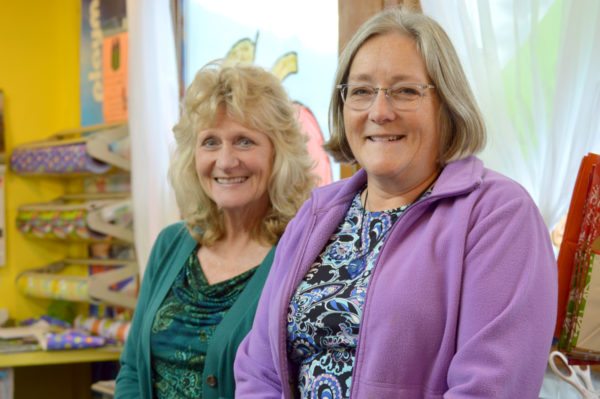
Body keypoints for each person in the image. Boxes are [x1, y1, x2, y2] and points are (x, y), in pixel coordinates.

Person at [234, 6, 557, 399]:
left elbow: (491, 387)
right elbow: (258, 369)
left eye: (405, 91)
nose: (380, 111)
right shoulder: (316, 213)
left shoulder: (498, 215)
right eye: (362, 91)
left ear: (446, 104)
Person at [115, 62, 316, 399]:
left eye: (244, 141)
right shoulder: (171, 244)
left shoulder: (300, 256)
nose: (225, 161)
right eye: (210, 142)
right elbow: (133, 370)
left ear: (279, 154)